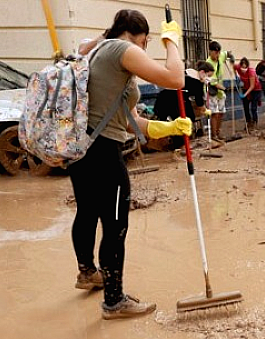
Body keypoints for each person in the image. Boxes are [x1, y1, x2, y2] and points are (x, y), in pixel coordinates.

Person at [72, 10, 191, 319]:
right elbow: (176, 79)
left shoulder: (98, 50)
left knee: (87, 212)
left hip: (82, 149)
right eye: (147, 41)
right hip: (102, 154)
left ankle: (88, 273)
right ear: (138, 36)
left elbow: (126, 121)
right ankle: (114, 301)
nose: (146, 47)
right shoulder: (122, 49)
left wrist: (165, 128)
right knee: (115, 226)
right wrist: (172, 43)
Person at [206, 41, 230, 142]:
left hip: (221, 92)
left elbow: (227, 53)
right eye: (215, 53)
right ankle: (214, 135)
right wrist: (225, 88)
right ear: (210, 52)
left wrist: (231, 58)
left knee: (221, 113)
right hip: (212, 92)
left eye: (219, 53)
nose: (217, 55)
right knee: (214, 113)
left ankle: (218, 132)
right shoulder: (208, 64)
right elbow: (213, 83)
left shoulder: (221, 55)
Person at [234, 57, 262, 129]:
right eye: (242, 68)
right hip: (245, 88)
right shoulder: (238, 68)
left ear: (247, 66)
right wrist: (236, 76)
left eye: (245, 68)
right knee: (245, 106)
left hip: (256, 89)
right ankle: (248, 122)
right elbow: (233, 66)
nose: (243, 70)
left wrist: (245, 94)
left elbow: (252, 86)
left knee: (253, 107)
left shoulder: (251, 72)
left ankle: (255, 123)